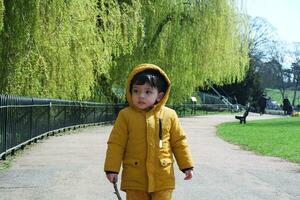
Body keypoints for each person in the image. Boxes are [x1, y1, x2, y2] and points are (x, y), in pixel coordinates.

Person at [104, 64, 194, 200]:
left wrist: (186, 165)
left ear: (159, 95)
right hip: (135, 178)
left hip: (162, 176)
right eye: (136, 91)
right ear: (130, 92)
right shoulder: (125, 115)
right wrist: (112, 168)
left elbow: (179, 142)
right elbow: (116, 143)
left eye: (148, 92)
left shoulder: (170, 115)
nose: (141, 96)